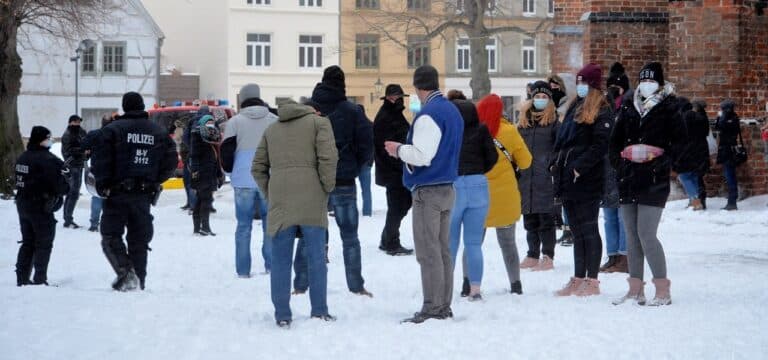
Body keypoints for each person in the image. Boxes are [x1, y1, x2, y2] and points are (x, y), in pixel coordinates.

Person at [384, 65, 463, 323]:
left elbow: (422, 155)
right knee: (442, 250)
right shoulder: (452, 110)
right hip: (448, 187)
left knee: (428, 252)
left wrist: (399, 149)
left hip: (428, 190)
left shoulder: (429, 114)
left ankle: (432, 307)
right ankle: (443, 304)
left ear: (418, 87)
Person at [252, 99, 339, 328]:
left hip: (281, 197)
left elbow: (257, 167)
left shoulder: (272, 129)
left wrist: (271, 191)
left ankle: (282, 314)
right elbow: (328, 158)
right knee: (316, 257)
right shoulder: (319, 123)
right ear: (312, 109)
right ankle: (319, 310)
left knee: (280, 258)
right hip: (312, 193)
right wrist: (326, 187)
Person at [610, 62, 685, 306]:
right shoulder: (629, 108)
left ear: (659, 83)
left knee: (646, 234)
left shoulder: (669, 108)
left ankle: (662, 289)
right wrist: (620, 164)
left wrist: (662, 161)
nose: (646, 83)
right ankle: (635, 289)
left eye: (651, 80)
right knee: (631, 235)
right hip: (629, 178)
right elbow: (614, 142)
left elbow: (681, 143)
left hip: (653, 179)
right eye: (643, 79)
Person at [91, 92, 177, 291]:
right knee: (139, 240)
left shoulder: (112, 130)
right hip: (143, 195)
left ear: (124, 107)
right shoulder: (158, 131)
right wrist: (155, 179)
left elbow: (100, 161)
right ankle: (138, 279)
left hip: (117, 193)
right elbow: (171, 161)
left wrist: (103, 183)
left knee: (111, 235)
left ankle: (127, 273)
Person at [307, 65, 374, 297]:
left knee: (310, 234)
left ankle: (302, 283)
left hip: (313, 180)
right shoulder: (352, 111)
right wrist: (355, 165)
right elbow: (367, 142)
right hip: (344, 179)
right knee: (350, 237)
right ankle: (356, 285)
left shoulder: (308, 109)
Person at [552, 63, 613, 297]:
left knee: (589, 228)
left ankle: (592, 279)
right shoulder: (573, 108)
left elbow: (600, 145)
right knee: (576, 229)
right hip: (567, 176)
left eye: (584, 83)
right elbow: (562, 140)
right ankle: (578, 277)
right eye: (578, 83)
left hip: (586, 178)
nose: (580, 87)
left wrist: (580, 167)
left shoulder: (602, 110)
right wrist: (554, 161)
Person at [476, 94, 532, 295]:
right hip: (506, 198)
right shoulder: (510, 131)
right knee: (508, 243)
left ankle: (469, 284)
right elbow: (526, 162)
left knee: (474, 244)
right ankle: (516, 284)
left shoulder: (473, 132)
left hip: (478, 197)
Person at [223, 83, 277, 276]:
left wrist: (231, 171)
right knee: (269, 224)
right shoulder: (274, 120)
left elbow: (226, 152)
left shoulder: (235, 122)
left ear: (243, 100)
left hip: (243, 179)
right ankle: (271, 266)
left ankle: (243, 270)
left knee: (243, 226)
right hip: (268, 179)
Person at [449, 99, 497, 301]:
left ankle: (444, 287)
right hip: (479, 185)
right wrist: (478, 171)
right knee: (474, 244)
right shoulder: (482, 130)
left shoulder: (450, 131)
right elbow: (492, 157)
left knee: (449, 243)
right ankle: (475, 289)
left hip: (454, 186)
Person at [14, 126, 69, 286]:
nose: (50, 141)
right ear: (42, 140)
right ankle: (40, 278)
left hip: (23, 204)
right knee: (43, 243)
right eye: (48, 138)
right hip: (40, 206)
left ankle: (22, 278)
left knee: (27, 242)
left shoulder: (22, 157)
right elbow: (61, 186)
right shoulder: (49, 160)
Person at [517, 81, 561, 272]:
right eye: (537, 97)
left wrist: (552, 165)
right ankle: (532, 254)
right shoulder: (523, 124)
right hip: (526, 178)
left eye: (544, 97)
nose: (540, 100)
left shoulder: (554, 124)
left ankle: (548, 255)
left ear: (549, 100)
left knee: (545, 219)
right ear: (531, 98)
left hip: (545, 176)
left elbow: (560, 148)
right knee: (529, 218)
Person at [373, 84, 415, 256]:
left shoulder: (394, 114)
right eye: (395, 97)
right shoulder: (386, 116)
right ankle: (391, 242)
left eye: (400, 97)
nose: (398, 100)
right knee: (398, 206)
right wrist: (400, 164)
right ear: (388, 98)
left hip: (397, 169)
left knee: (401, 205)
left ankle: (387, 239)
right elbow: (385, 147)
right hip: (393, 170)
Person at [600, 63, 630, 273]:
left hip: (622, 167)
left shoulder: (629, 108)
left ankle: (624, 256)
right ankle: (612, 255)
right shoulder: (604, 107)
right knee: (609, 215)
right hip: (605, 167)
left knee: (621, 215)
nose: (613, 90)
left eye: (617, 87)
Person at [190, 114, 223, 236]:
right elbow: (194, 156)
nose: (210, 125)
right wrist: (195, 172)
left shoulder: (212, 137)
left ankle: (198, 227)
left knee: (201, 199)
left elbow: (217, 158)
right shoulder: (198, 136)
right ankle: (205, 227)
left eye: (212, 123)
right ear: (202, 124)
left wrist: (219, 174)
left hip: (211, 172)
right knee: (205, 199)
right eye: (208, 123)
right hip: (202, 173)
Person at [676, 97, 709, 211]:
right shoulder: (702, 116)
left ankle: (696, 202)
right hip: (701, 150)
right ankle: (696, 201)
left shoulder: (685, 116)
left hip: (687, 151)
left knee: (684, 176)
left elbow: (681, 135)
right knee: (694, 176)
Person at [82, 114, 114, 232]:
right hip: (113, 171)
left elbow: (83, 147)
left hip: (97, 170)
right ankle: (109, 222)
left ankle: (94, 224)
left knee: (96, 196)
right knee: (111, 197)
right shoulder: (117, 135)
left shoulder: (94, 134)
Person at [61, 114, 87, 228]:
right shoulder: (67, 135)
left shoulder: (81, 132)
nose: (78, 124)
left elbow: (87, 144)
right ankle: (68, 219)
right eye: (75, 122)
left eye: (79, 122)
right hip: (72, 166)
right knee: (73, 193)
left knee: (72, 193)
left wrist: (87, 152)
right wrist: (82, 151)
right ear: (70, 122)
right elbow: (67, 153)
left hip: (80, 164)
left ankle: (67, 218)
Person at [715, 99, 742, 211]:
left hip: (728, 151)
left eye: (721, 108)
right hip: (727, 150)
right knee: (729, 175)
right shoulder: (732, 117)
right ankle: (732, 200)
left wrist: (721, 116)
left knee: (730, 176)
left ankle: (732, 202)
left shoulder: (729, 119)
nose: (720, 110)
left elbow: (720, 126)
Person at [357, 104, 374, 217]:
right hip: (367, 161)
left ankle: (350, 209)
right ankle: (367, 211)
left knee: (349, 188)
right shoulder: (371, 125)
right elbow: (374, 145)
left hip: (355, 161)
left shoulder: (353, 126)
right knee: (366, 189)